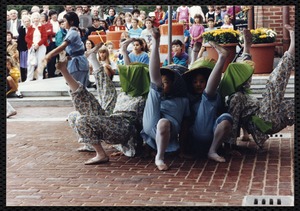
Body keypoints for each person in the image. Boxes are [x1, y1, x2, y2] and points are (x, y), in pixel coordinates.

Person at [58, 42, 149, 164]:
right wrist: (123, 49)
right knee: (74, 115)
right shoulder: (125, 92)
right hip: (113, 117)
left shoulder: (144, 97)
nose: (127, 78)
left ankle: (101, 154)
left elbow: (144, 126)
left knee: (83, 119)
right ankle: (91, 59)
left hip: (124, 128)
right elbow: (130, 71)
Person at [218, 25, 295, 149]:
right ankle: (292, 48)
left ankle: (247, 47)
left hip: (271, 117)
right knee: (273, 86)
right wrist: (229, 147)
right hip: (265, 120)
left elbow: (245, 73)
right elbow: (236, 115)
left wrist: (247, 48)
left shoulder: (241, 94)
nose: (246, 78)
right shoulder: (234, 98)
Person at [141, 28, 190, 171]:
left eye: (166, 82)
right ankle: (156, 40)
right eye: (162, 81)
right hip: (150, 126)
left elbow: (186, 124)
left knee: (163, 123)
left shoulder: (182, 100)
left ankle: (160, 157)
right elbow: (155, 75)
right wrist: (156, 41)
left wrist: (184, 149)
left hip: (170, 127)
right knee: (155, 88)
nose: (163, 84)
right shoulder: (156, 93)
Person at [182, 43, 233, 163]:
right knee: (207, 97)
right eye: (195, 82)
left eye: (201, 81)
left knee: (226, 118)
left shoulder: (216, 96)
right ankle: (222, 58)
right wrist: (182, 150)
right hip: (198, 134)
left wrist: (229, 148)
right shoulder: (189, 98)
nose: (198, 84)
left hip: (213, 133)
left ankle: (212, 151)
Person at [43, 12, 90, 87]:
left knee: (77, 87)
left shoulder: (73, 32)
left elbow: (63, 46)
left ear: (71, 22)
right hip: (75, 61)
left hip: (78, 63)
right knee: (75, 87)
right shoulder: (72, 31)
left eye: (65, 21)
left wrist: (50, 54)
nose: (63, 23)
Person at [25, 12, 48, 81]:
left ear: (39, 19)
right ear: (32, 19)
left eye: (37, 18)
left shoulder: (42, 26)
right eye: (34, 18)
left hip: (41, 46)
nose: (36, 19)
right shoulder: (30, 27)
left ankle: (40, 77)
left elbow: (45, 37)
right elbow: (27, 38)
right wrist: (32, 44)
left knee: (40, 62)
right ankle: (29, 78)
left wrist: (38, 44)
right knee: (30, 62)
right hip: (32, 46)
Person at [17, 15, 31, 82]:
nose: (27, 22)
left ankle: (31, 77)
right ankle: (24, 78)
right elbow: (21, 39)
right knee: (23, 64)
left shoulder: (32, 28)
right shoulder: (21, 29)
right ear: (23, 22)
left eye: (28, 21)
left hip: (31, 47)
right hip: (23, 48)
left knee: (31, 63)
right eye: (25, 21)